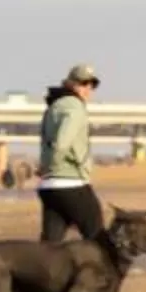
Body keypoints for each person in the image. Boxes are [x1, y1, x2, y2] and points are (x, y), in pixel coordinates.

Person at [36, 63, 109, 243]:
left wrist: (45, 167)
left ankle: (42, 271)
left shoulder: (53, 107)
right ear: (70, 83)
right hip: (71, 182)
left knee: (50, 247)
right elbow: (62, 143)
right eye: (82, 83)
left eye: (91, 84)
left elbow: (50, 143)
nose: (87, 89)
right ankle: (97, 272)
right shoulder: (75, 107)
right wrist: (53, 163)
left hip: (49, 187)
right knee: (97, 238)